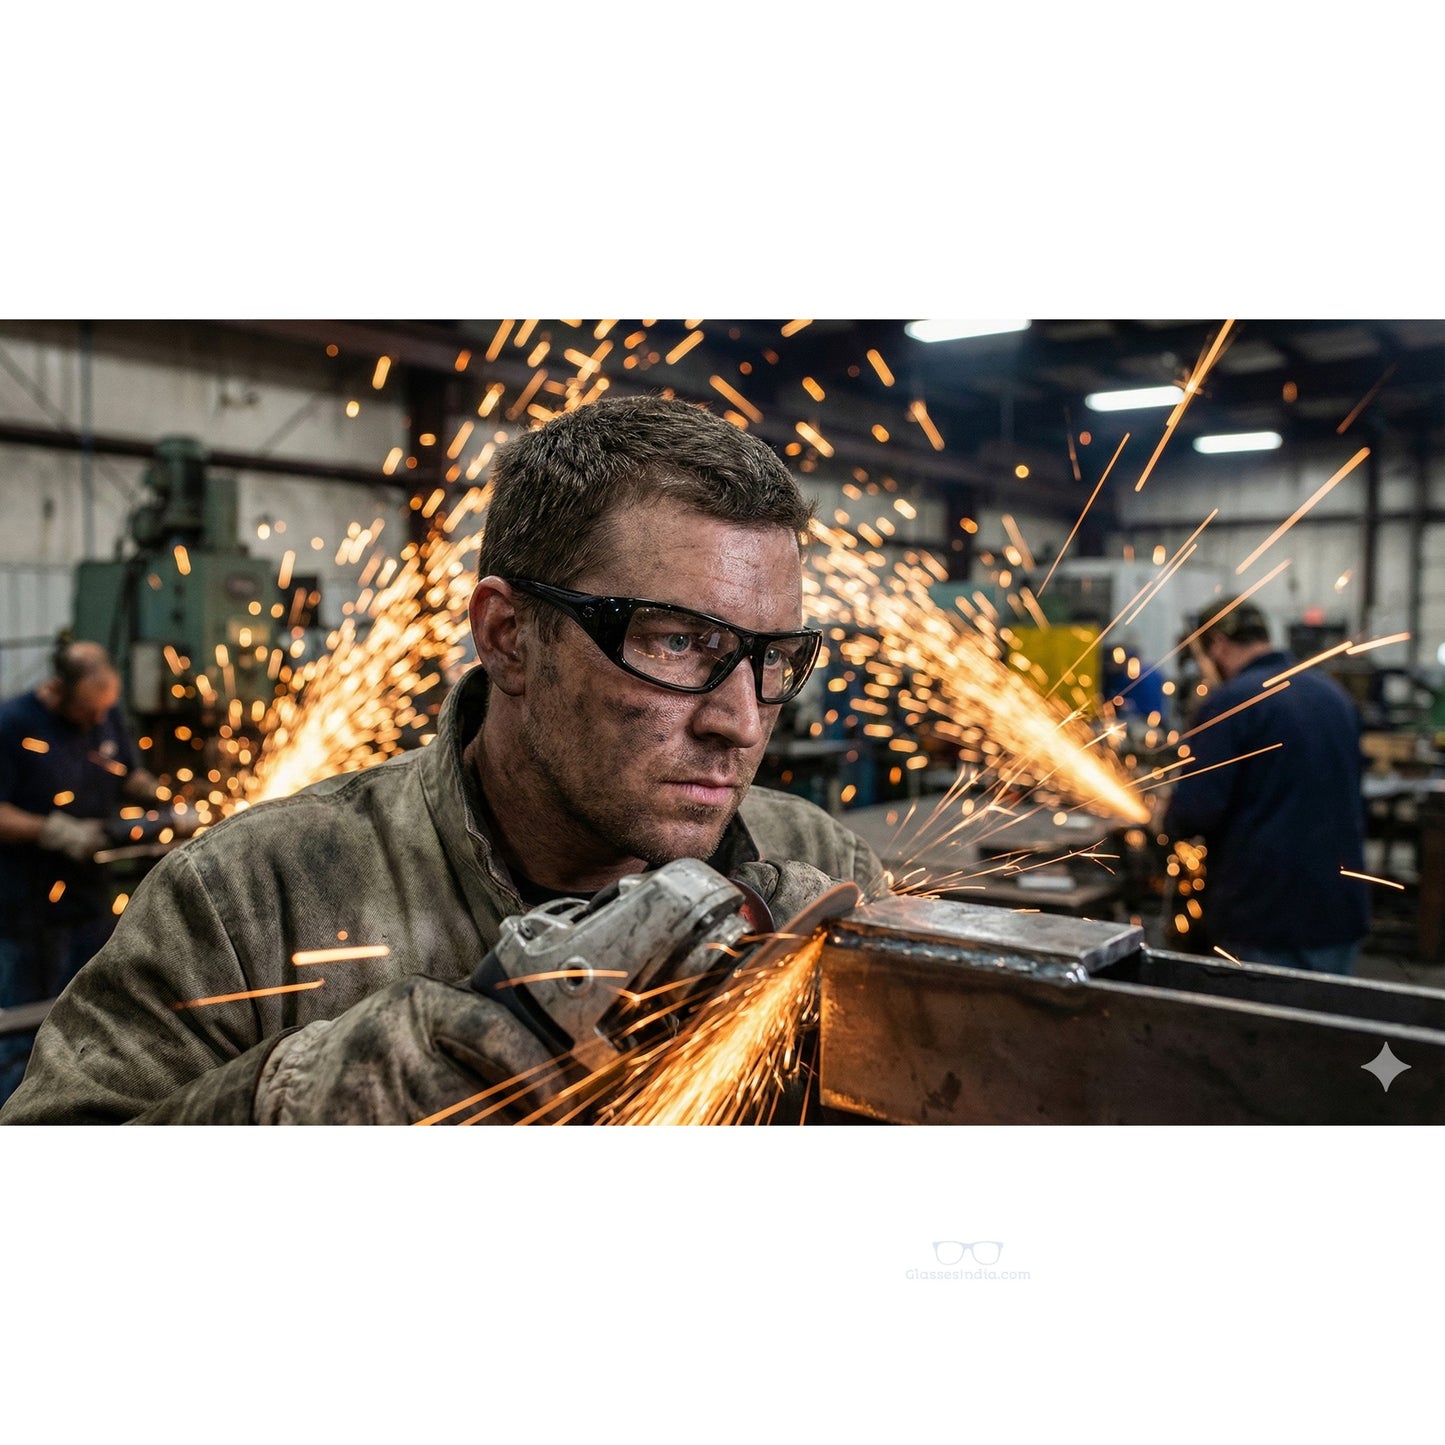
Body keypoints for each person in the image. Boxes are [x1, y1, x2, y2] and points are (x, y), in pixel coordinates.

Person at [1, 396, 887, 1124]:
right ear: (507, 637)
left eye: (772, 658)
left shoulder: (821, 870)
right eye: (679, 642)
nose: (739, 721)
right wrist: (383, 1078)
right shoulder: (251, 905)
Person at [1162, 598, 1369, 973]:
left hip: (1264, 917)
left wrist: (1163, 814)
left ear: (1219, 644)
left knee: (1259, 1029)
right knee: (1326, 1026)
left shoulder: (1231, 703)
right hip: (1338, 909)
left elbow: (1195, 813)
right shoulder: (1333, 696)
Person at [0, 640, 164, 1102]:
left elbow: (122, 770)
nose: (98, 724)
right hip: (27, 909)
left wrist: (157, 794)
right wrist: (52, 830)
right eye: (89, 714)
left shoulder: (101, 710)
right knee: (26, 1028)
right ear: (58, 690)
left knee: (93, 1015)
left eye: (104, 713)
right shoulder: (13, 724)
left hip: (90, 900)